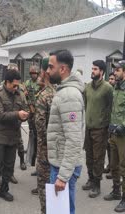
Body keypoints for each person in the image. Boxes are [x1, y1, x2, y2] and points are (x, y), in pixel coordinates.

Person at [0, 70, 29, 208]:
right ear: (7, 82)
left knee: (9, 166)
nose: (16, 88)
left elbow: (25, 109)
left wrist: (26, 114)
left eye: (17, 85)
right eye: (14, 85)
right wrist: (17, 114)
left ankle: (4, 190)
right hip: (0, 137)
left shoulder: (20, 94)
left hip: (13, 137)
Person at [47, 50, 85, 214]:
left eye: (50, 66)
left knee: (63, 211)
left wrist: (62, 176)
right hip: (60, 162)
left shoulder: (69, 94)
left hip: (63, 167)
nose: (47, 71)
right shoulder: (64, 90)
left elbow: (74, 139)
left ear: (62, 69)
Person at [81, 60, 113, 198]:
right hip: (88, 128)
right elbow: (86, 105)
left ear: (102, 71)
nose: (92, 71)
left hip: (101, 129)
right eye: (92, 68)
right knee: (89, 156)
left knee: (98, 158)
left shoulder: (107, 88)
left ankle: (97, 185)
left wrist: (105, 124)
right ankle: (90, 179)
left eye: (95, 69)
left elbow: (110, 108)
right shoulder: (87, 87)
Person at [34, 58, 55, 214]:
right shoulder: (58, 92)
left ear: (44, 72)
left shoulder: (44, 95)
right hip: (57, 148)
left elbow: (40, 127)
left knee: (44, 186)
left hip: (45, 149)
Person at [103, 60, 125, 212]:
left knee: (124, 167)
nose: (115, 72)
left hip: (123, 134)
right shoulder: (115, 88)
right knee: (114, 165)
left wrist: (122, 125)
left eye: (118, 70)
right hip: (112, 132)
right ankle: (116, 191)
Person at [24, 65, 40, 173]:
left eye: (35, 73)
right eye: (31, 73)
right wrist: (29, 107)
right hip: (31, 112)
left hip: (39, 112)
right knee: (32, 135)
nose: (33, 75)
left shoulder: (40, 82)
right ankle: (32, 155)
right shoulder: (28, 83)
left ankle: (37, 159)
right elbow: (25, 95)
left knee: (39, 138)